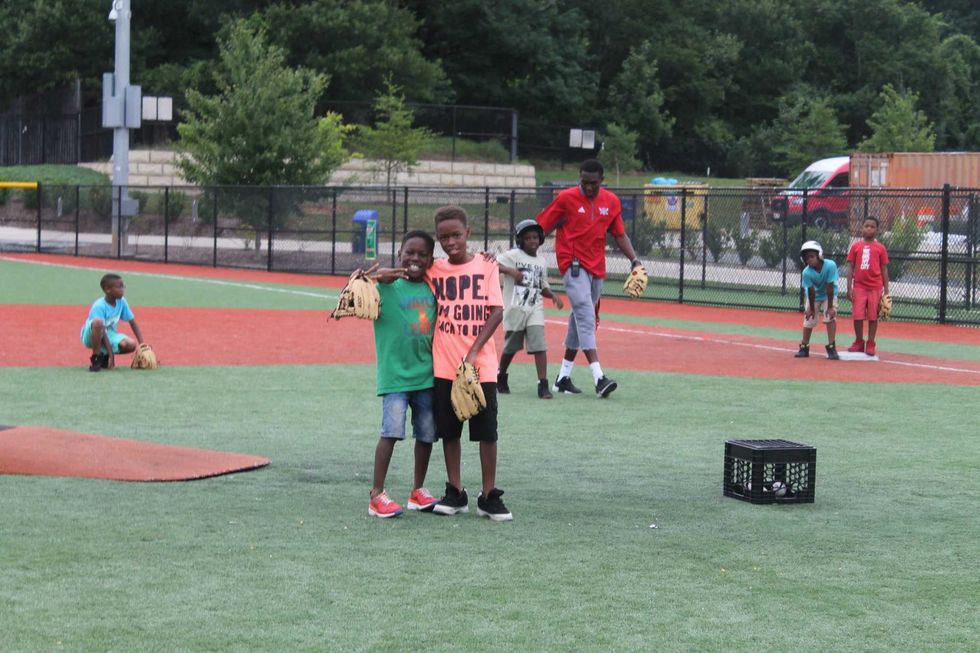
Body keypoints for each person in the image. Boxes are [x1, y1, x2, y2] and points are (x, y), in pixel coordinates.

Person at [427, 205, 511, 522]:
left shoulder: (486, 265)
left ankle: (488, 495)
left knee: (487, 431)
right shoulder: (434, 270)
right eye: (444, 237)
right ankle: (455, 491)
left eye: (456, 235)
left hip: (481, 367)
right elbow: (409, 268)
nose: (451, 242)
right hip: (445, 366)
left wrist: (474, 352)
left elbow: (496, 311)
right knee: (450, 431)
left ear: (468, 234)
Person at [536, 158, 643, 398]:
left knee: (580, 318)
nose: (589, 187)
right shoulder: (566, 198)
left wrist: (635, 260)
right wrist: (524, 252)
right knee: (585, 312)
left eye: (593, 183)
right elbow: (541, 225)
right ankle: (599, 377)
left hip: (597, 267)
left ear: (601, 180)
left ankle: (563, 377)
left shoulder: (611, 202)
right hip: (572, 264)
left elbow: (619, 234)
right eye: (584, 182)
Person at [365, 230, 440, 518]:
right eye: (409, 252)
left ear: (431, 260)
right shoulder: (386, 287)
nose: (415, 258)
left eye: (422, 254)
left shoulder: (432, 288)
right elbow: (355, 291)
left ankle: (417, 491)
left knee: (426, 434)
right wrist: (371, 277)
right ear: (399, 254)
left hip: (426, 377)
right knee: (391, 433)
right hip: (395, 377)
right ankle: (376, 494)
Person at [496, 219, 564, 399]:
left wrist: (553, 295)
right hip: (516, 309)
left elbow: (542, 285)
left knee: (539, 345)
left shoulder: (541, 261)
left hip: (535, 308)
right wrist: (510, 271)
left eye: (535, 237)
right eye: (528, 238)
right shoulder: (513, 256)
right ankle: (500, 375)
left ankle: (543, 385)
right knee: (511, 347)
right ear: (520, 241)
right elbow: (492, 265)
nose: (532, 241)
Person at [80, 273, 145, 372]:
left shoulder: (122, 302)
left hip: (109, 334)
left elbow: (132, 322)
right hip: (91, 335)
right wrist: (111, 355)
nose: (123, 289)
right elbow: (102, 331)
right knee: (98, 323)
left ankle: (104, 357)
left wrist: (143, 345)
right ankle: (96, 359)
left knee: (131, 344)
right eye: (119, 287)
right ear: (108, 289)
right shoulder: (99, 306)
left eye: (123, 286)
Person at [846, 216, 890, 356]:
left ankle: (871, 343)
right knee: (857, 315)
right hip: (859, 286)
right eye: (866, 226)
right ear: (862, 228)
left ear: (877, 230)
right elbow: (850, 267)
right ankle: (859, 341)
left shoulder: (880, 248)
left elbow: (884, 270)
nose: (869, 228)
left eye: (872, 226)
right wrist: (849, 287)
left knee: (873, 316)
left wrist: (886, 291)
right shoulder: (856, 246)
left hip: (875, 287)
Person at [795, 241, 840, 360]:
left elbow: (830, 287)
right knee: (808, 320)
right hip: (814, 296)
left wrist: (830, 307)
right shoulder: (806, 272)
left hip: (829, 295)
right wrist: (811, 309)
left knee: (830, 318)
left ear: (819, 255)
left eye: (812, 256)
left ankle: (831, 347)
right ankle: (804, 347)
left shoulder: (830, 265)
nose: (809, 260)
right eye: (806, 258)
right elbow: (810, 291)